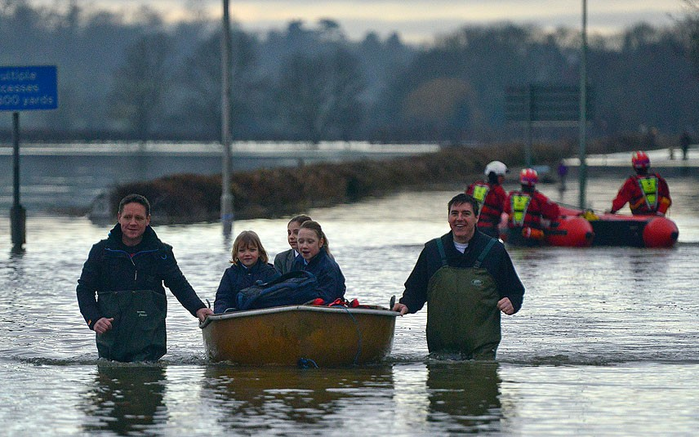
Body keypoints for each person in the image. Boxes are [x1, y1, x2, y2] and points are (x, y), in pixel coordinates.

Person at [76, 193, 214, 362]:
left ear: (148, 220)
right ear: (119, 217)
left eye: (139, 218)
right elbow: (84, 289)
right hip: (110, 347)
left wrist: (198, 308)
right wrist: (94, 319)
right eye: (127, 217)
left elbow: (178, 283)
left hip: (150, 347)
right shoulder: (100, 252)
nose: (132, 223)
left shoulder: (161, 252)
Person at [392, 193, 524, 360]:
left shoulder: (494, 251)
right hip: (440, 352)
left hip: (482, 352)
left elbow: (515, 291)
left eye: (465, 213)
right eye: (454, 213)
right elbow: (415, 290)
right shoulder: (432, 250)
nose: (459, 218)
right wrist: (405, 304)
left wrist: (512, 302)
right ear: (448, 217)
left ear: (477, 217)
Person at [214, 230, 280, 313]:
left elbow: (279, 296)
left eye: (252, 250)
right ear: (236, 254)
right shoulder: (230, 274)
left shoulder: (270, 272)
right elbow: (222, 298)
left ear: (259, 252)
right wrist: (220, 313)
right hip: (236, 317)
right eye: (242, 251)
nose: (247, 254)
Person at [291, 220, 346, 303]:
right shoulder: (297, 262)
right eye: (301, 242)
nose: (304, 246)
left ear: (320, 243)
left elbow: (327, 297)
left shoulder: (328, 267)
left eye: (310, 242)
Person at [504, 168, 560, 246]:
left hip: (512, 236)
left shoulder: (511, 195)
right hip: (530, 237)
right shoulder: (538, 198)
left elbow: (506, 209)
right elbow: (554, 213)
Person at [608, 151, 672, 216]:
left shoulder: (632, 182)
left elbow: (620, 200)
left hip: (640, 218)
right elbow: (667, 200)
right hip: (658, 217)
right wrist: (660, 213)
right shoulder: (659, 180)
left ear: (634, 166)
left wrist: (612, 211)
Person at [465, 160, 508, 239]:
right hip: (489, 229)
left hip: (470, 228)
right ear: (496, 176)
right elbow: (505, 210)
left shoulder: (474, 186)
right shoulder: (498, 191)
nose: (503, 179)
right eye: (502, 176)